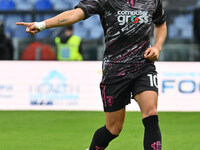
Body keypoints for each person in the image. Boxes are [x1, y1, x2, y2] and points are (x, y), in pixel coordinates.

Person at [16, 0, 167, 149]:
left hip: (143, 65)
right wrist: (42, 25)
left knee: (151, 113)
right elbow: (76, 14)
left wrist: (157, 47)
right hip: (115, 69)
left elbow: (160, 23)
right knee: (113, 129)